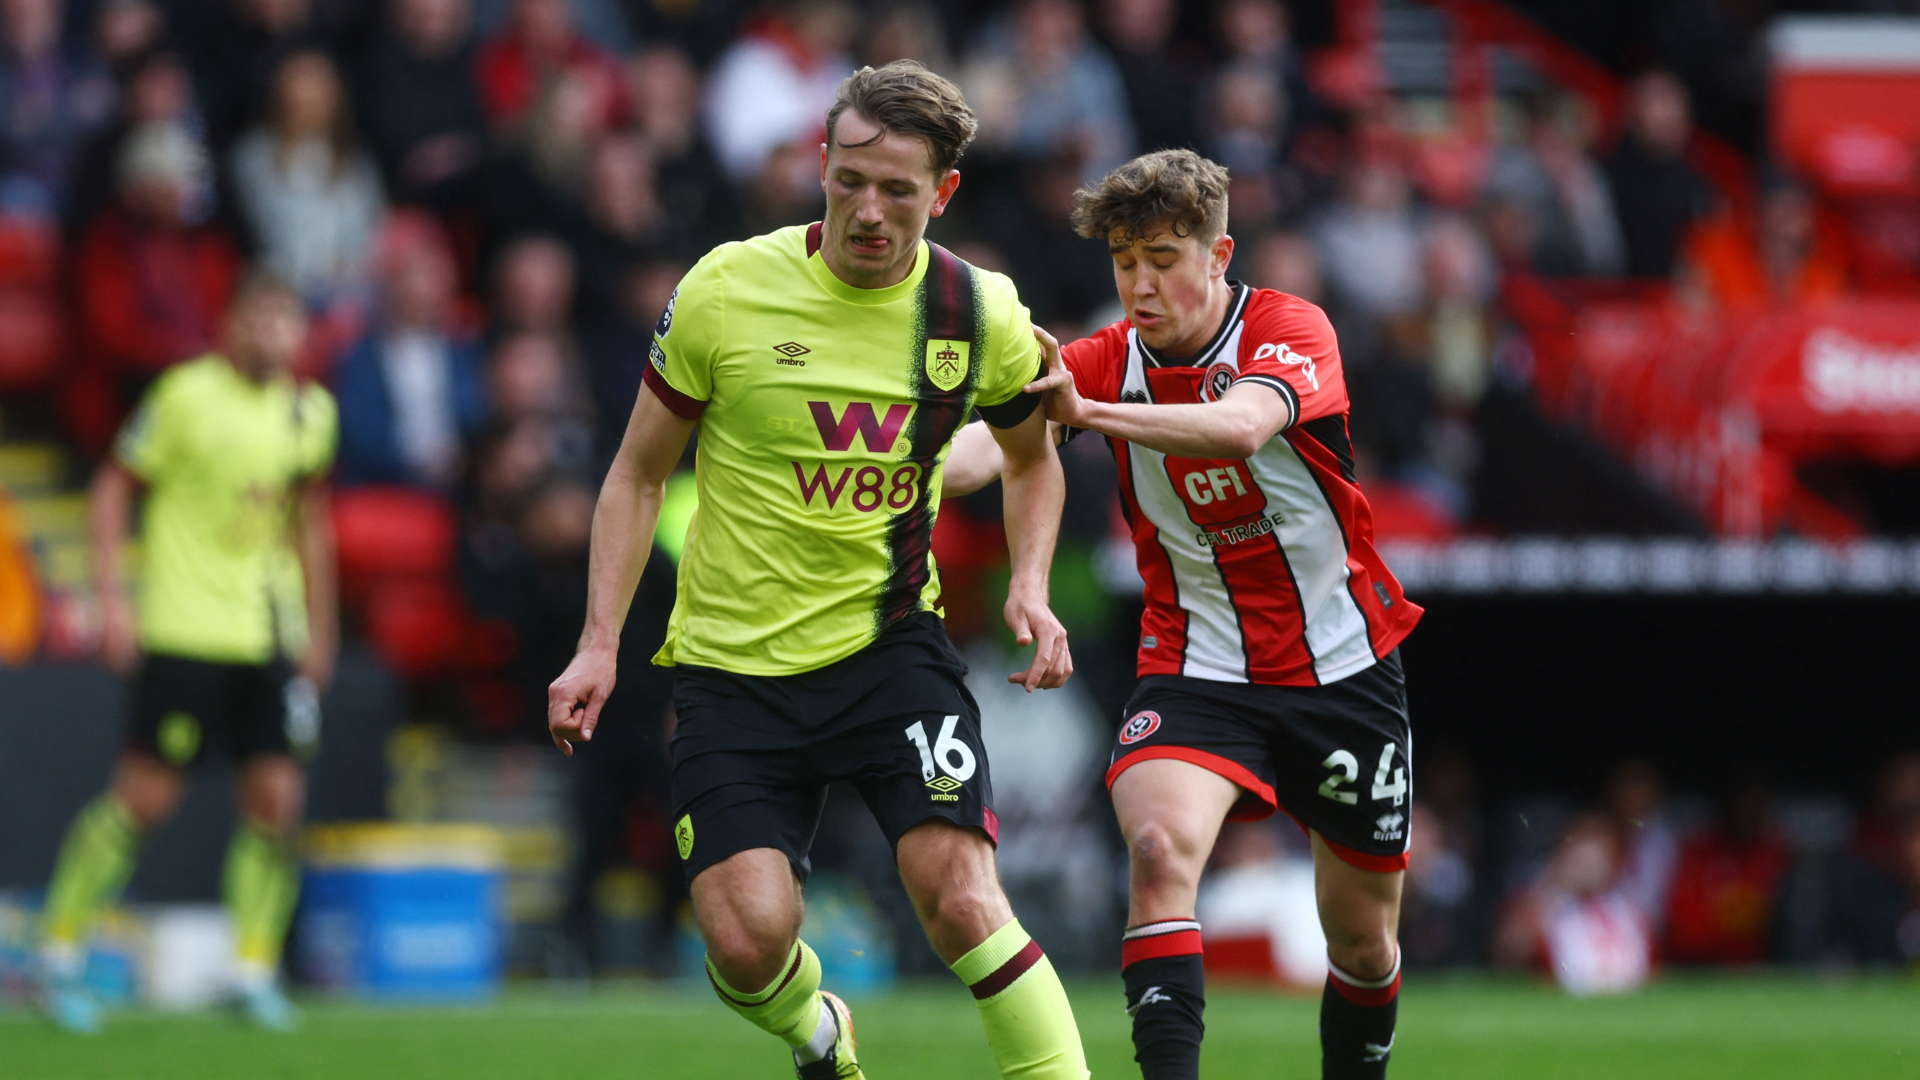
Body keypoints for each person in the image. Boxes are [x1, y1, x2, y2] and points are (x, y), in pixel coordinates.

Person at [545, 61, 1088, 1080]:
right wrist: (598, 644)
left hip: (890, 652)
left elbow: (1029, 454)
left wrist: (1030, 584)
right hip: (731, 671)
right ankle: (819, 1031)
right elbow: (635, 475)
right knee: (747, 943)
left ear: (944, 192)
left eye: (897, 189)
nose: (868, 212)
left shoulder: (978, 313)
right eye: (848, 181)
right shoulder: (726, 291)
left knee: (963, 897)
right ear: (821, 167)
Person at [944, 149, 1422, 1079]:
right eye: (1125, 264)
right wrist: (899, 476)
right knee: (1159, 851)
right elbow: (994, 446)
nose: (1142, 284)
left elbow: (1241, 424)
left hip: (1343, 666)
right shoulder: (1105, 359)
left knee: (1362, 943)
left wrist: (1089, 414)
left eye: (1164, 258)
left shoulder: (1290, 328)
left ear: (1219, 254)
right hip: (1197, 666)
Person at [36, 271, 337, 1034]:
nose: (273, 334)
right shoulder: (184, 396)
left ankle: (249, 970)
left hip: (269, 636)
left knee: (276, 804)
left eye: (286, 321)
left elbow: (309, 523)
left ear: (300, 334)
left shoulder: (310, 412)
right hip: (183, 630)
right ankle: (58, 953)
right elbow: (112, 486)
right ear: (231, 324)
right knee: (145, 801)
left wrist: (321, 627)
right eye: (260, 317)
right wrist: (113, 603)